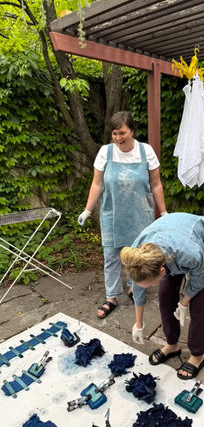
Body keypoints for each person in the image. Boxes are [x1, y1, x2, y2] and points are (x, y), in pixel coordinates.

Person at [120, 212, 204, 380]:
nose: (149, 287)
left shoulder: (190, 252)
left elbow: (199, 277)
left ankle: (197, 355)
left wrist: (184, 303)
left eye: (151, 283)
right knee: (165, 297)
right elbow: (138, 288)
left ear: (162, 271)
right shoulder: (138, 257)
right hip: (170, 244)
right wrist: (138, 324)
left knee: (198, 304)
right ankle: (172, 345)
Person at [78, 111, 167, 319]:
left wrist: (163, 212)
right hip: (112, 213)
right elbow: (97, 183)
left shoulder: (146, 152)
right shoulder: (105, 152)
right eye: (114, 133)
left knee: (137, 256)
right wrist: (87, 209)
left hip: (140, 214)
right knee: (111, 257)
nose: (118, 138)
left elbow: (156, 184)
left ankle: (134, 288)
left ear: (132, 131)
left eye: (122, 133)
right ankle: (111, 297)